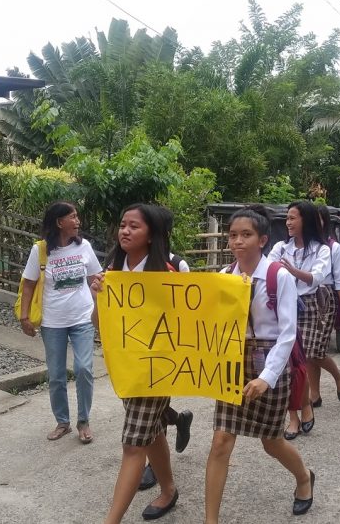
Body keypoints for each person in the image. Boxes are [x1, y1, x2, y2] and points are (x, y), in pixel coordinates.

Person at [204, 205, 315, 523]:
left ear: (263, 239)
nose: (237, 241)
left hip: (270, 364)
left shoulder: (278, 276)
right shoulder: (224, 277)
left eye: (246, 235)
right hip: (232, 364)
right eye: (233, 235)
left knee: (272, 441)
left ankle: (304, 477)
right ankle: (210, 520)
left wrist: (267, 376)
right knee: (221, 440)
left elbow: (287, 333)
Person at [95, 203, 181, 523]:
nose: (125, 231)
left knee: (133, 444)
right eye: (122, 225)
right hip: (126, 369)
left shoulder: (167, 273)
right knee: (153, 430)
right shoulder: (113, 271)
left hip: (156, 371)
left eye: (134, 226)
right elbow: (98, 325)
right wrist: (98, 297)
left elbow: (185, 324)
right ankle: (169, 490)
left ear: (151, 235)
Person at [19, 201, 101, 444]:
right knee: (56, 375)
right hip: (52, 322)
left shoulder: (84, 246)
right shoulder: (41, 250)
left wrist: (100, 311)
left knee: (84, 368)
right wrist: (24, 317)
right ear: (59, 222)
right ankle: (62, 422)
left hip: (82, 318)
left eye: (77, 216)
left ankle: (83, 421)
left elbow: (95, 279)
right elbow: (29, 285)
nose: (78, 221)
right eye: (73, 217)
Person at [137, 206, 194, 493]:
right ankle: (178, 419)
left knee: (148, 413)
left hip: (163, 351)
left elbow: (188, 309)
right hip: (133, 352)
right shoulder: (121, 264)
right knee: (148, 408)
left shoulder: (176, 265)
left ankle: (154, 468)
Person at [269, 201, 332, 440]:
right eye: (287, 218)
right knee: (289, 364)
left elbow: (315, 279)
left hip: (308, 308)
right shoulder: (280, 247)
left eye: (293, 218)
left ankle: (303, 408)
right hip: (283, 308)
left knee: (301, 364)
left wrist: (291, 270)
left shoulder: (321, 249)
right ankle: (295, 414)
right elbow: (269, 268)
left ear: (305, 220)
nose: (288, 222)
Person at [310, 205, 340, 407]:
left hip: (326, 298)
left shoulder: (335, 248)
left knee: (314, 350)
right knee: (309, 350)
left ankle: (337, 375)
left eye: (318, 219)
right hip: (305, 298)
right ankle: (314, 394)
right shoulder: (303, 246)